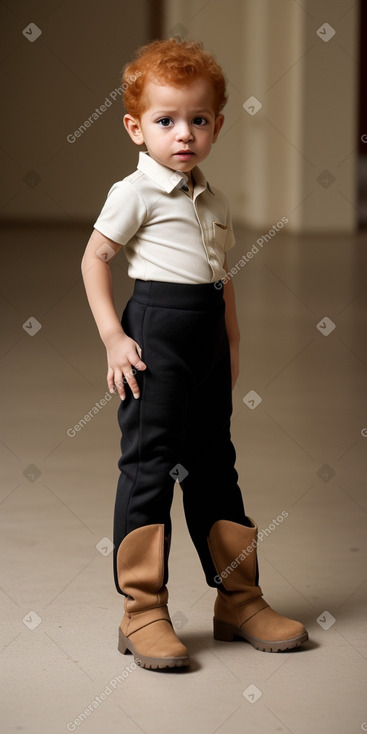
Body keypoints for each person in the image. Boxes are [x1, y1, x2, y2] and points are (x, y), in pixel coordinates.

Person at [81, 37, 308, 671]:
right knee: (150, 465)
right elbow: (94, 260)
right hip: (153, 339)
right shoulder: (134, 192)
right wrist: (113, 337)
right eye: (165, 120)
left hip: (205, 340)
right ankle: (142, 610)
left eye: (198, 120)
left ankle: (239, 598)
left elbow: (221, 273)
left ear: (217, 125)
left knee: (215, 465)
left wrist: (231, 341)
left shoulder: (213, 198)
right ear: (135, 128)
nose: (184, 134)